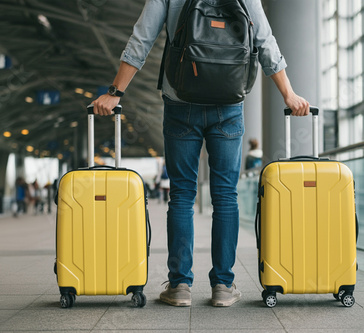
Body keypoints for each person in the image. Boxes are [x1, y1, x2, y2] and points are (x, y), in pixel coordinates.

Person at [92, 0, 310, 307]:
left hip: (181, 100)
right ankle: (223, 285)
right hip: (228, 104)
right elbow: (264, 40)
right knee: (225, 195)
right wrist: (289, 93)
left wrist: (115, 92)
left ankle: (180, 285)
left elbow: (142, 37)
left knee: (181, 194)